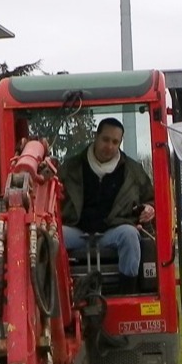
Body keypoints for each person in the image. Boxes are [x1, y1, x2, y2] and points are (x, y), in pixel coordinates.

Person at [59, 117, 154, 294]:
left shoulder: (134, 172)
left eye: (115, 142)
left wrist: (150, 208)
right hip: (76, 230)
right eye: (105, 139)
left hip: (113, 231)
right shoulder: (70, 168)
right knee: (51, 237)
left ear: (120, 143)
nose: (109, 146)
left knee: (130, 235)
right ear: (96, 136)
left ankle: (128, 294)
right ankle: (58, 294)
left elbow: (152, 198)